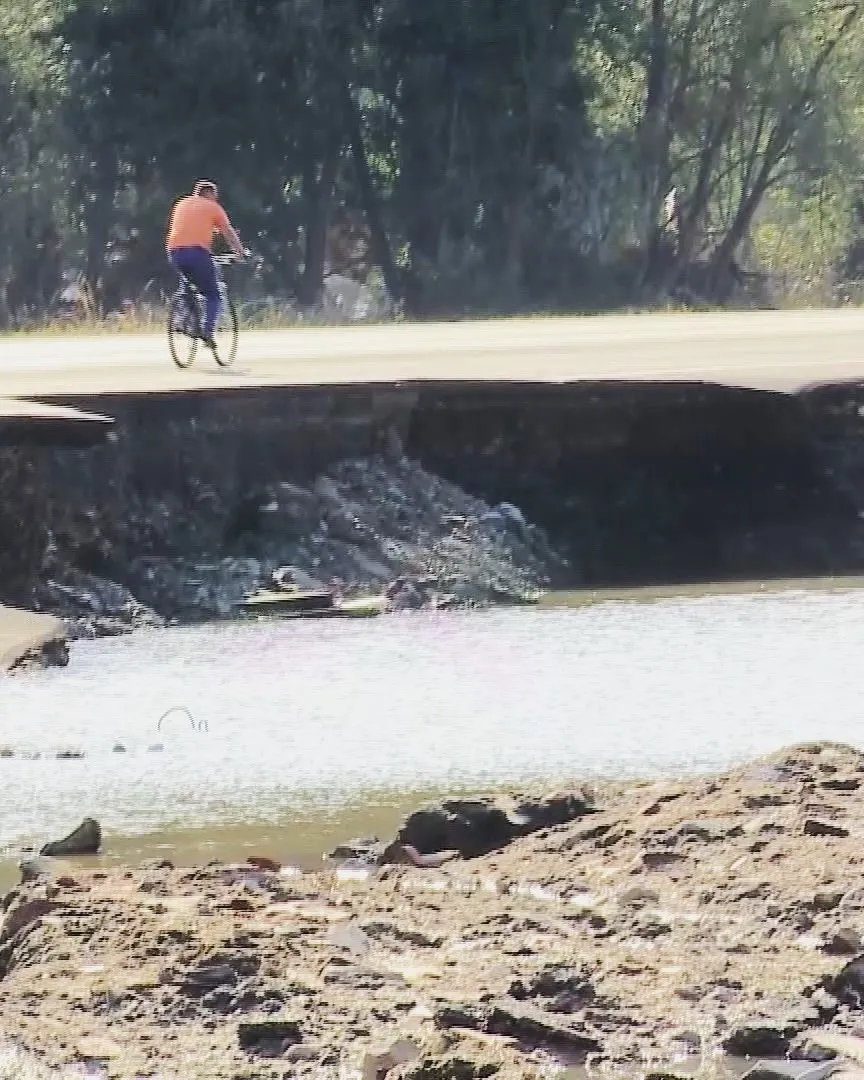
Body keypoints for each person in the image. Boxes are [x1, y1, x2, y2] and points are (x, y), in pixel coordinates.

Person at [166, 180, 244, 348]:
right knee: (213, 294)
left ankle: (183, 320)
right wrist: (239, 251)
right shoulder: (212, 207)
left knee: (187, 284)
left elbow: (191, 227)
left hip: (174, 252)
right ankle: (207, 331)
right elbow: (227, 231)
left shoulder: (181, 203)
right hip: (197, 253)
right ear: (210, 194)